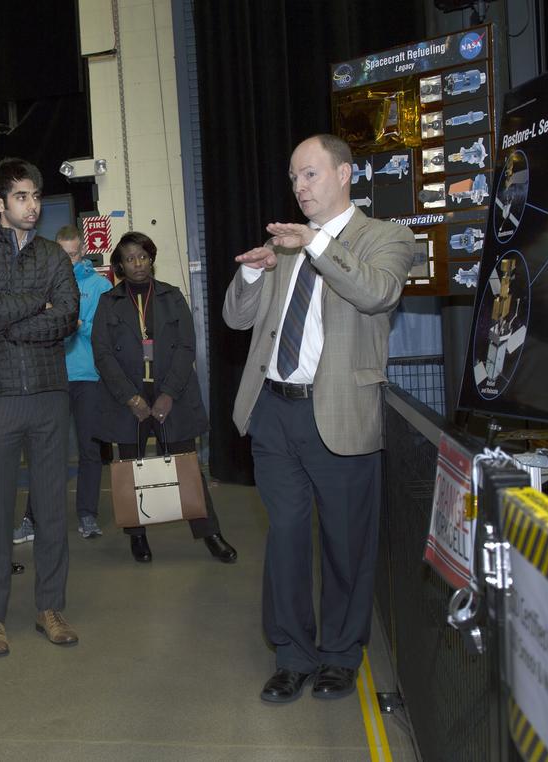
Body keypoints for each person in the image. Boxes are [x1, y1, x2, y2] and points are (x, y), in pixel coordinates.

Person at [223, 134, 413, 704]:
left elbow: (377, 294)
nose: (299, 187)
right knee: (283, 537)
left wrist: (318, 246)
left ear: (345, 173)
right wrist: (255, 273)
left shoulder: (386, 237)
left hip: (340, 414)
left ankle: (339, 655)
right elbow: (236, 318)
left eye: (309, 175)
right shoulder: (282, 245)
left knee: (344, 542)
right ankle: (291, 655)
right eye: (293, 178)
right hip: (273, 414)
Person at [0, 158, 80, 656]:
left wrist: (12, 319)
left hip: (49, 394)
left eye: (35, 196)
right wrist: (35, 304)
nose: (32, 205)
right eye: (22, 197)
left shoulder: (52, 255)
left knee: (51, 511)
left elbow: (67, 316)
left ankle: (50, 607)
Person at [92, 232, 237, 564]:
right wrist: (131, 397)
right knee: (130, 469)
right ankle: (137, 536)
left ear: (151, 259)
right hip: (127, 399)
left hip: (173, 395)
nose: (138, 263)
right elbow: (102, 353)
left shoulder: (172, 296)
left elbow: (187, 346)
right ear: (120, 265)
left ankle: (210, 533)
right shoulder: (108, 302)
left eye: (143, 256)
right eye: (130, 258)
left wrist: (168, 394)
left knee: (187, 467)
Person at [13, 223, 113, 544]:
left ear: (82, 251)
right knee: (44, 452)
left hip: (88, 379)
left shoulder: (99, 286)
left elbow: (103, 332)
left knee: (89, 449)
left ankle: (87, 515)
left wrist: (72, 322)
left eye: (74, 254)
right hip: (50, 377)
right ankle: (32, 518)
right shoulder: (41, 284)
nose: (69, 261)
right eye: (63, 254)